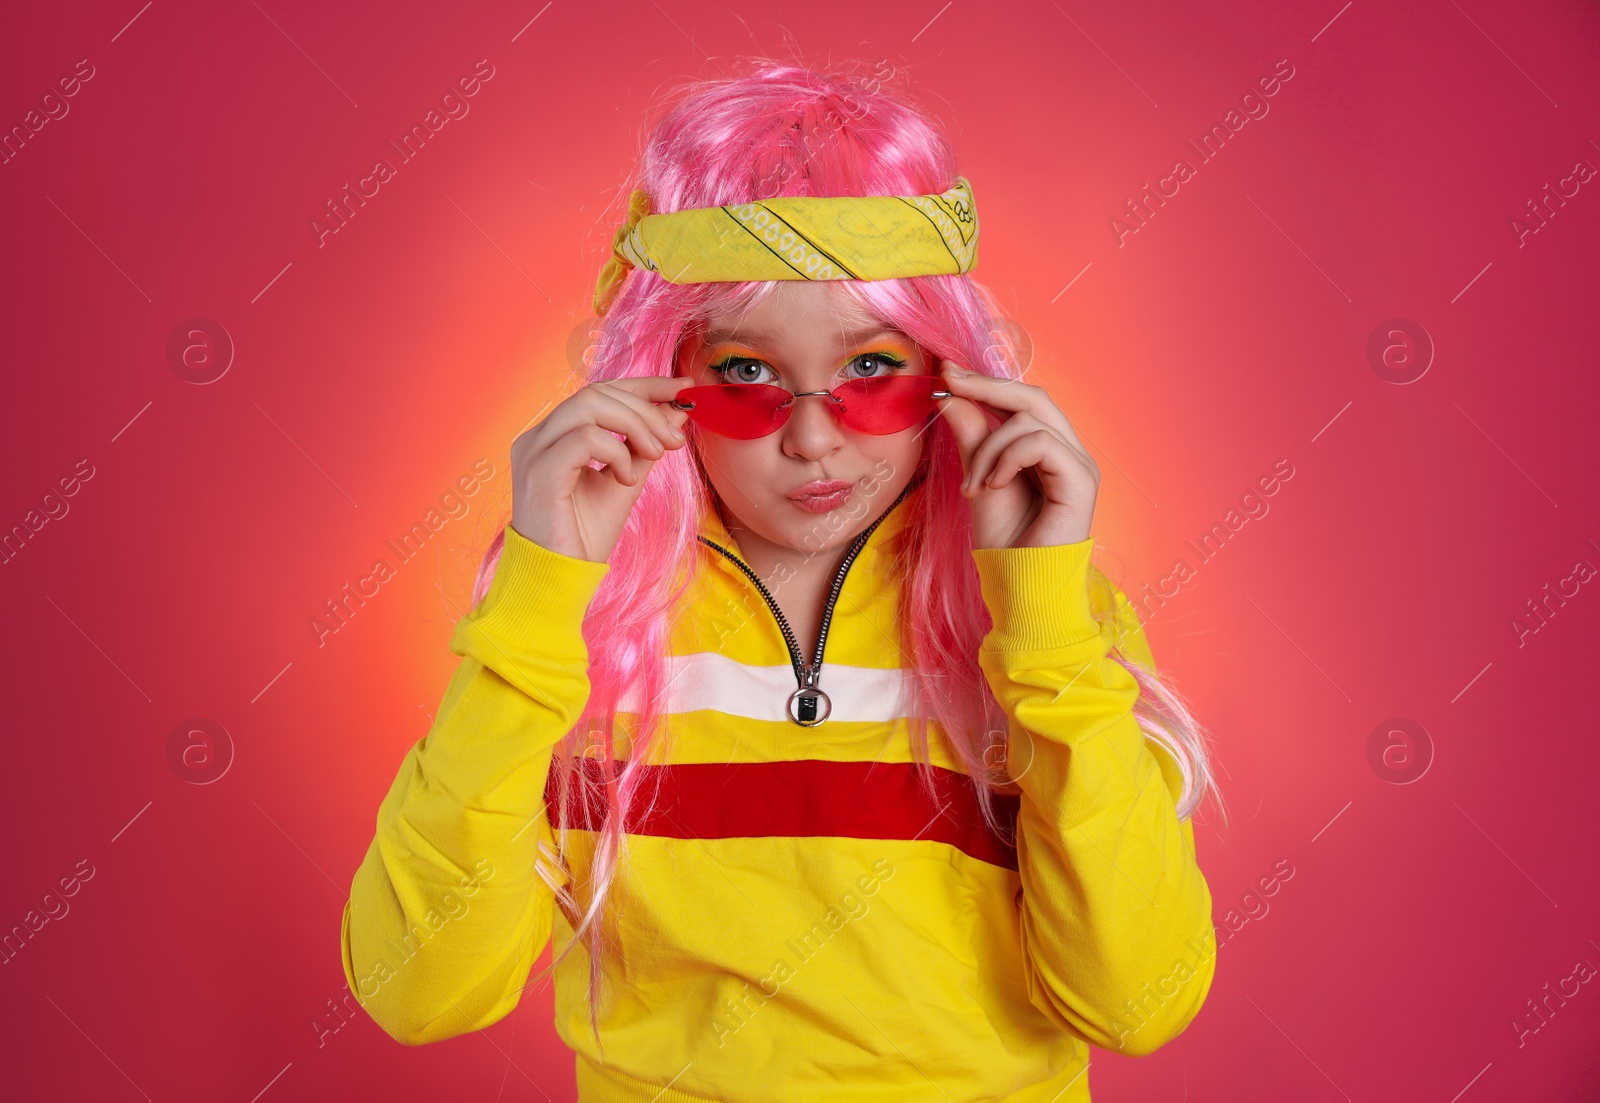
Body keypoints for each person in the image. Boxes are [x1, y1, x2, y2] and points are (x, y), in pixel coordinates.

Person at [340, 58, 1224, 1102]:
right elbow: (418, 988)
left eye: (870, 368)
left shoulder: (1040, 626)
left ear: (952, 372)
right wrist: (538, 595)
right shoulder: (580, 628)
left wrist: (1042, 620)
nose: (813, 439)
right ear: (663, 371)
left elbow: (1137, 999)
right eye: (747, 372)